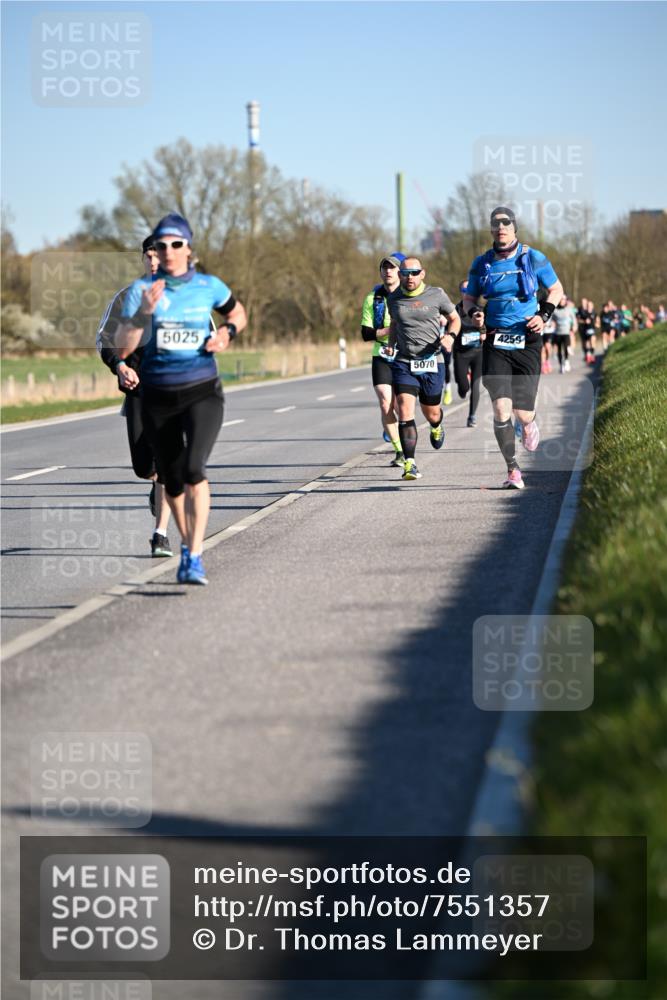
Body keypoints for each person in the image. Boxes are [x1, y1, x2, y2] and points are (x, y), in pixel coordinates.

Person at [116, 213, 247, 585]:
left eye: (176, 244)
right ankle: (187, 545)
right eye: (161, 245)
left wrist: (227, 333)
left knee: (193, 468)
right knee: (171, 478)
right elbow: (123, 348)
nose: (168, 251)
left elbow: (236, 311)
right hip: (157, 394)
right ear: (153, 251)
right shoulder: (142, 293)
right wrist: (143, 315)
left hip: (202, 390)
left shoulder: (208, 285)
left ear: (189, 249)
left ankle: (194, 554)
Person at [462, 206, 564, 490]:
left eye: (506, 224)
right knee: (500, 409)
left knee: (522, 413)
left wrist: (543, 315)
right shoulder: (482, 263)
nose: (500, 228)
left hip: (527, 338)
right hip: (496, 339)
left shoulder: (533, 257)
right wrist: (474, 314)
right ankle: (512, 470)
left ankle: (530, 423)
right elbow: (469, 299)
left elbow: (556, 290)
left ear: (514, 228)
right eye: (495, 224)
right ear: (491, 230)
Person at [96, 236, 173, 558]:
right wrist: (121, 365)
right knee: (144, 466)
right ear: (143, 259)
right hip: (139, 389)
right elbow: (104, 340)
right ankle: (154, 485)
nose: (154, 263)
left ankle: (160, 534)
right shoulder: (126, 296)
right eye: (149, 257)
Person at [386, 256, 460, 480]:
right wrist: (390, 345)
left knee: (432, 411)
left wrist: (450, 337)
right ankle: (410, 464)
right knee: (405, 411)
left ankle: (436, 425)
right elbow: (395, 324)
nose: (410, 277)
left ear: (423, 273)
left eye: (414, 272)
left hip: (432, 361)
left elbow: (455, 318)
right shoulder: (394, 298)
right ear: (400, 275)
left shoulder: (436, 294)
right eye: (406, 273)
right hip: (404, 362)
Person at [360, 253, 406, 467]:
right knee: (385, 402)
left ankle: (419, 433)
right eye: (384, 267)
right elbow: (366, 333)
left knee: (402, 405)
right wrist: (390, 329)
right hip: (382, 354)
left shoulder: (410, 294)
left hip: (406, 353)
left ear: (400, 271)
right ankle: (400, 451)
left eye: (392, 267)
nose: (388, 271)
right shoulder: (373, 298)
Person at [452, 280, 484, 427]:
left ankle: (472, 416)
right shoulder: (455, 310)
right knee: (463, 388)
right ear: (461, 292)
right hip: (461, 353)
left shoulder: (481, 309)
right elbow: (449, 326)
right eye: (464, 290)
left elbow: (489, 326)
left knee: (476, 386)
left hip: (478, 352)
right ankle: (462, 388)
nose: (467, 293)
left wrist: (484, 332)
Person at [551, 295, 575, 373]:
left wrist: (574, 326)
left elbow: (573, 319)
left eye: (563, 300)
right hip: (558, 333)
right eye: (561, 300)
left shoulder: (569, 309)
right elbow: (552, 320)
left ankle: (567, 361)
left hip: (566, 332)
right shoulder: (555, 311)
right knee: (559, 350)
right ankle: (561, 365)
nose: (562, 301)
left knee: (566, 347)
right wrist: (552, 324)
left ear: (565, 301)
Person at [576, 297, 596, 365]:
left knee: (591, 340)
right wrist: (584, 321)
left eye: (584, 302)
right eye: (582, 302)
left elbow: (596, 318)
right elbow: (577, 319)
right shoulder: (579, 310)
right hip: (582, 328)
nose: (583, 303)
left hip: (590, 328)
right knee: (584, 342)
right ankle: (586, 354)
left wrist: (597, 323)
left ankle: (591, 355)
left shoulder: (591, 310)